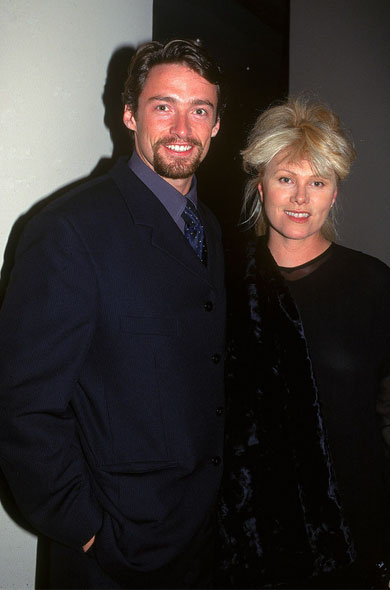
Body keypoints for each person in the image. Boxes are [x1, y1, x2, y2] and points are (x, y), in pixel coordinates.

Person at [0, 39, 226, 587]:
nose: (182, 127)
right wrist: (92, 532)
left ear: (217, 125)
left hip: (202, 543)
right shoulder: (69, 231)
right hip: (113, 557)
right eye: (163, 106)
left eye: (200, 110)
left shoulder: (210, 230)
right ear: (130, 115)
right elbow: (21, 405)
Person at [216, 96, 390, 589]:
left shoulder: (372, 284)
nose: (300, 198)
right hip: (245, 536)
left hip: (353, 533)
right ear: (260, 185)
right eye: (285, 179)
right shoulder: (222, 281)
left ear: (334, 193)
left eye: (317, 182)